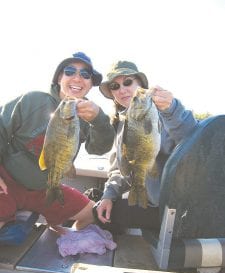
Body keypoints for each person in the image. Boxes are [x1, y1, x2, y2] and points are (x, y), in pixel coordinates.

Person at [0, 51, 114, 241]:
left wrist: (100, 120)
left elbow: (99, 149)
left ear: (90, 83)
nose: (77, 78)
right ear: (59, 77)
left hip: (44, 189)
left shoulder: (88, 115)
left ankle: (68, 243)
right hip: (7, 182)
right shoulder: (32, 100)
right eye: (70, 71)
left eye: (86, 75)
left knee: (91, 213)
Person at [95, 60, 198, 232]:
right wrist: (109, 195)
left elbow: (192, 140)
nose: (122, 89)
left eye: (128, 82)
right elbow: (120, 171)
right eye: (115, 86)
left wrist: (172, 109)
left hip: (173, 211)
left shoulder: (164, 113)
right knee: (98, 201)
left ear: (141, 85)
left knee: (96, 212)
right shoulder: (120, 124)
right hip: (148, 202)